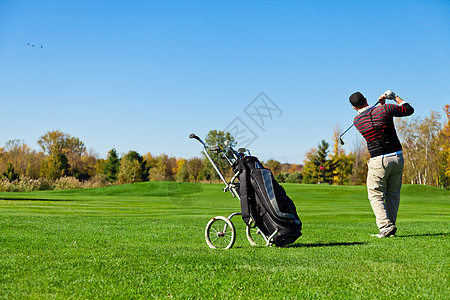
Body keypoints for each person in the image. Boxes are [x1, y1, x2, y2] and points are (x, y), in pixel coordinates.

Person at [349, 90, 414, 238]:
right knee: (392, 194)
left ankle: (386, 226)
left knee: (376, 194)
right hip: (397, 157)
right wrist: (394, 97)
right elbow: (408, 110)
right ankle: (389, 228)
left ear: (354, 108)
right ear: (366, 99)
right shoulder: (385, 109)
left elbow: (375, 117)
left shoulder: (356, 121)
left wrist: (380, 106)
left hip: (379, 160)